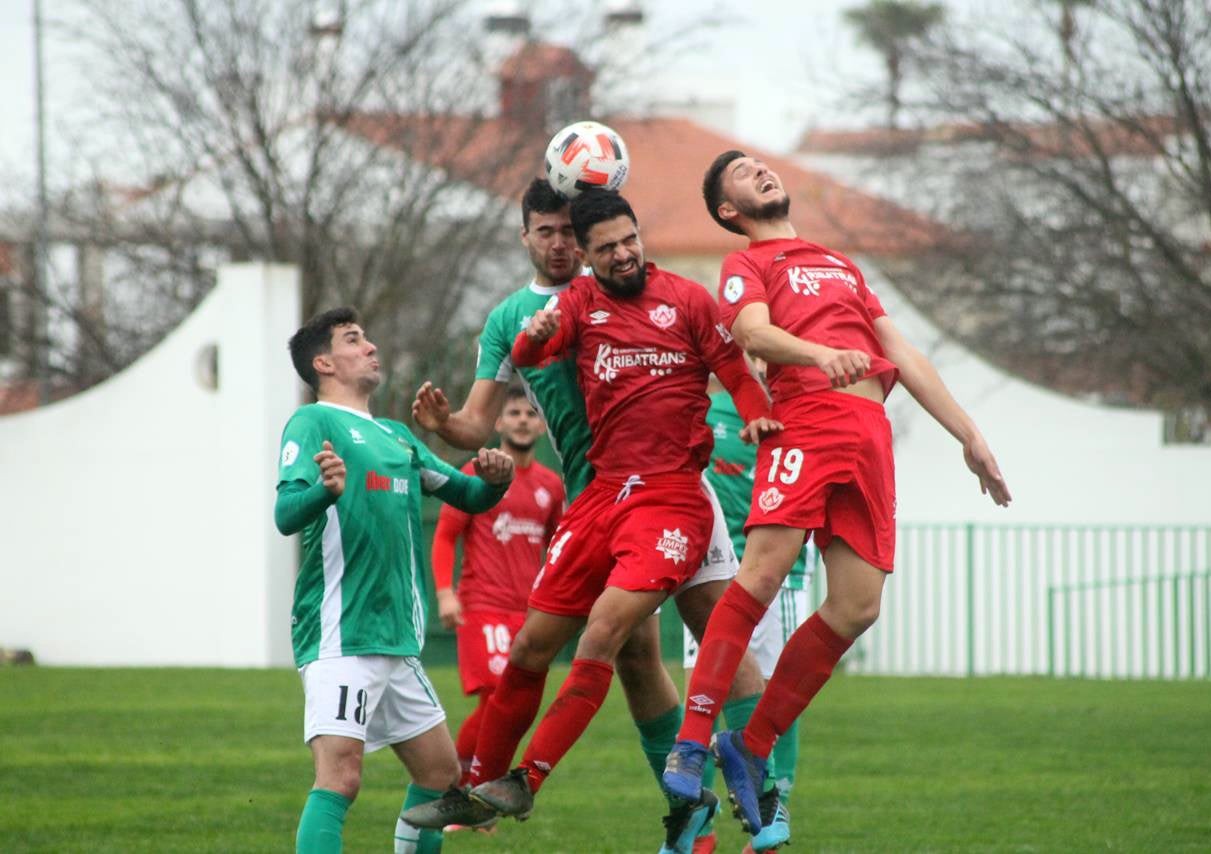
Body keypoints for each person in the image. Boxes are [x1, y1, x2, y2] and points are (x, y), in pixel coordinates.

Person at [402, 180, 767, 854]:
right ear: (533, 239)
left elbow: (735, 370)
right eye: (553, 233)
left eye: (624, 240)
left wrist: (757, 416)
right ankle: (482, 787)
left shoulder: (685, 297)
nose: (617, 252)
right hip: (598, 497)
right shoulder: (549, 309)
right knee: (549, 649)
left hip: (675, 495)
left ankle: (764, 805)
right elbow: (508, 382)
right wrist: (461, 409)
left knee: (706, 638)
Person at [662, 152, 1013, 837]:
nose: (760, 170)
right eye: (742, 173)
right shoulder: (746, 263)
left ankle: (750, 745)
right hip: (807, 418)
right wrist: (820, 355)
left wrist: (969, 435)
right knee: (761, 574)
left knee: (857, 606)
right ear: (728, 210)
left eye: (759, 164)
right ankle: (692, 740)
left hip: (868, 434)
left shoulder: (839, 263)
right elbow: (751, 332)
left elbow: (902, 354)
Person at [275, 307, 515, 854]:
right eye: (353, 339)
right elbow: (286, 514)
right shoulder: (312, 423)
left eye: (366, 337)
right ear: (323, 363)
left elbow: (468, 494)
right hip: (341, 634)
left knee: (441, 776)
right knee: (341, 778)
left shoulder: (397, 436)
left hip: (397, 640)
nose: (371, 347)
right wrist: (324, 492)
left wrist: (495, 482)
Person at [683, 369, 819, 854]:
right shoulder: (707, 411)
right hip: (714, 574)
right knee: (704, 691)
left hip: (781, 576)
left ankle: (773, 812)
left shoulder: (799, 413)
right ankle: (699, 824)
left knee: (779, 694)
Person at [430, 385, 564, 785]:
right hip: (482, 606)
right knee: (495, 699)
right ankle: (454, 783)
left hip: (528, 612)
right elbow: (445, 535)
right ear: (498, 423)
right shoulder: (477, 475)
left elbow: (558, 546)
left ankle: (476, 789)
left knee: (513, 706)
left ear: (542, 425)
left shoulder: (551, 486)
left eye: (530, 414)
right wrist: (445, 593)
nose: (522, 420)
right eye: (514, 413)